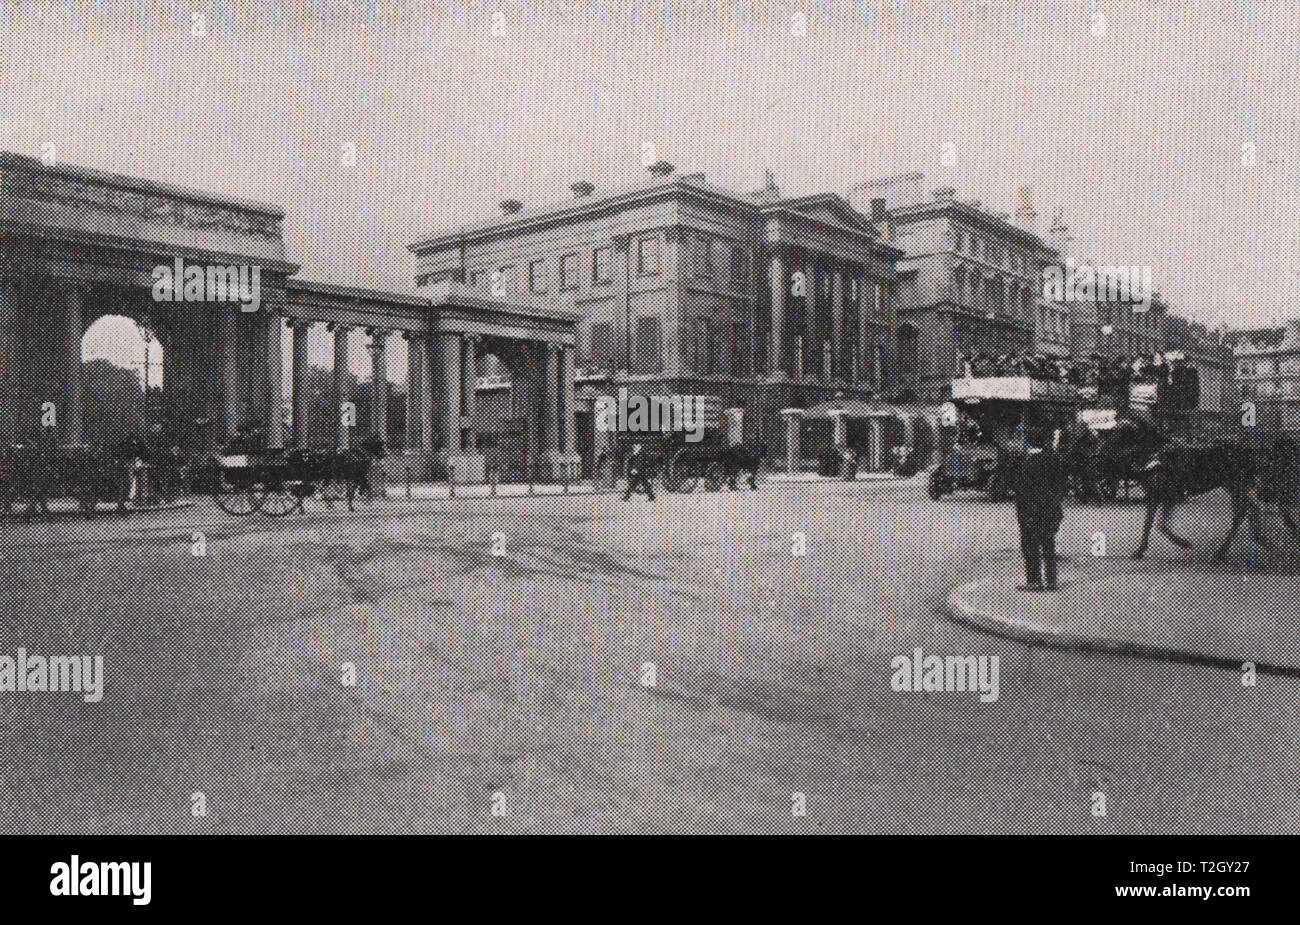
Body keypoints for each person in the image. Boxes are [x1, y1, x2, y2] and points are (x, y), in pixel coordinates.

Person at [1010, 426, 1072, 591]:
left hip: (1030, 511)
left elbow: (1018, 487)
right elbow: (1063, 485)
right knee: (1048, 544)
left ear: (1028, 441)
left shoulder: (1025, 462)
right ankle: (1052, 581)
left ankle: (1034, 581)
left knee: (1030, 546)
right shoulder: (1055, 459)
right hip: (1050, 509)